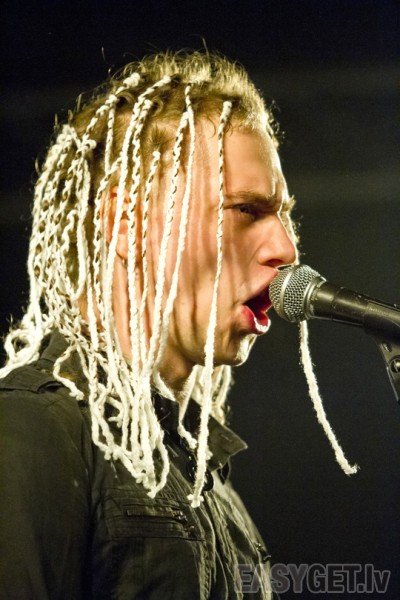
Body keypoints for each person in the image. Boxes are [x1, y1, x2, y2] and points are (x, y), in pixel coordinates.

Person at [0, 51, 355, 599]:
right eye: (247, 210)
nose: (287, 249)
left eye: (283, 214)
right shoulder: (37, 428)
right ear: (127, 222)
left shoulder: (208, 477)